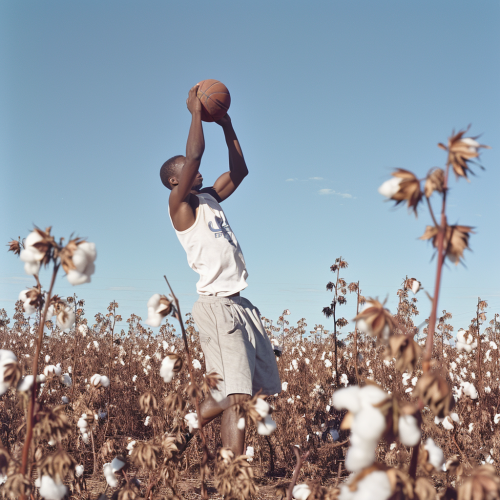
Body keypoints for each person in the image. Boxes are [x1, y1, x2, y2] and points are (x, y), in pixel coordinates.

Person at [160, 84, 281, 455]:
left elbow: (240, 170)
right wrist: (196, 112)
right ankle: (233, 476)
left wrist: (226, 124)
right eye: (188, 170)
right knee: (237, 394)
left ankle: (182, 431)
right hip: (216, 306)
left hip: (241, 304)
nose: (197, 171)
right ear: (175, 181)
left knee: (252, 392)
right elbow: (195, 153)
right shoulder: (180, 206)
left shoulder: (209, 196)